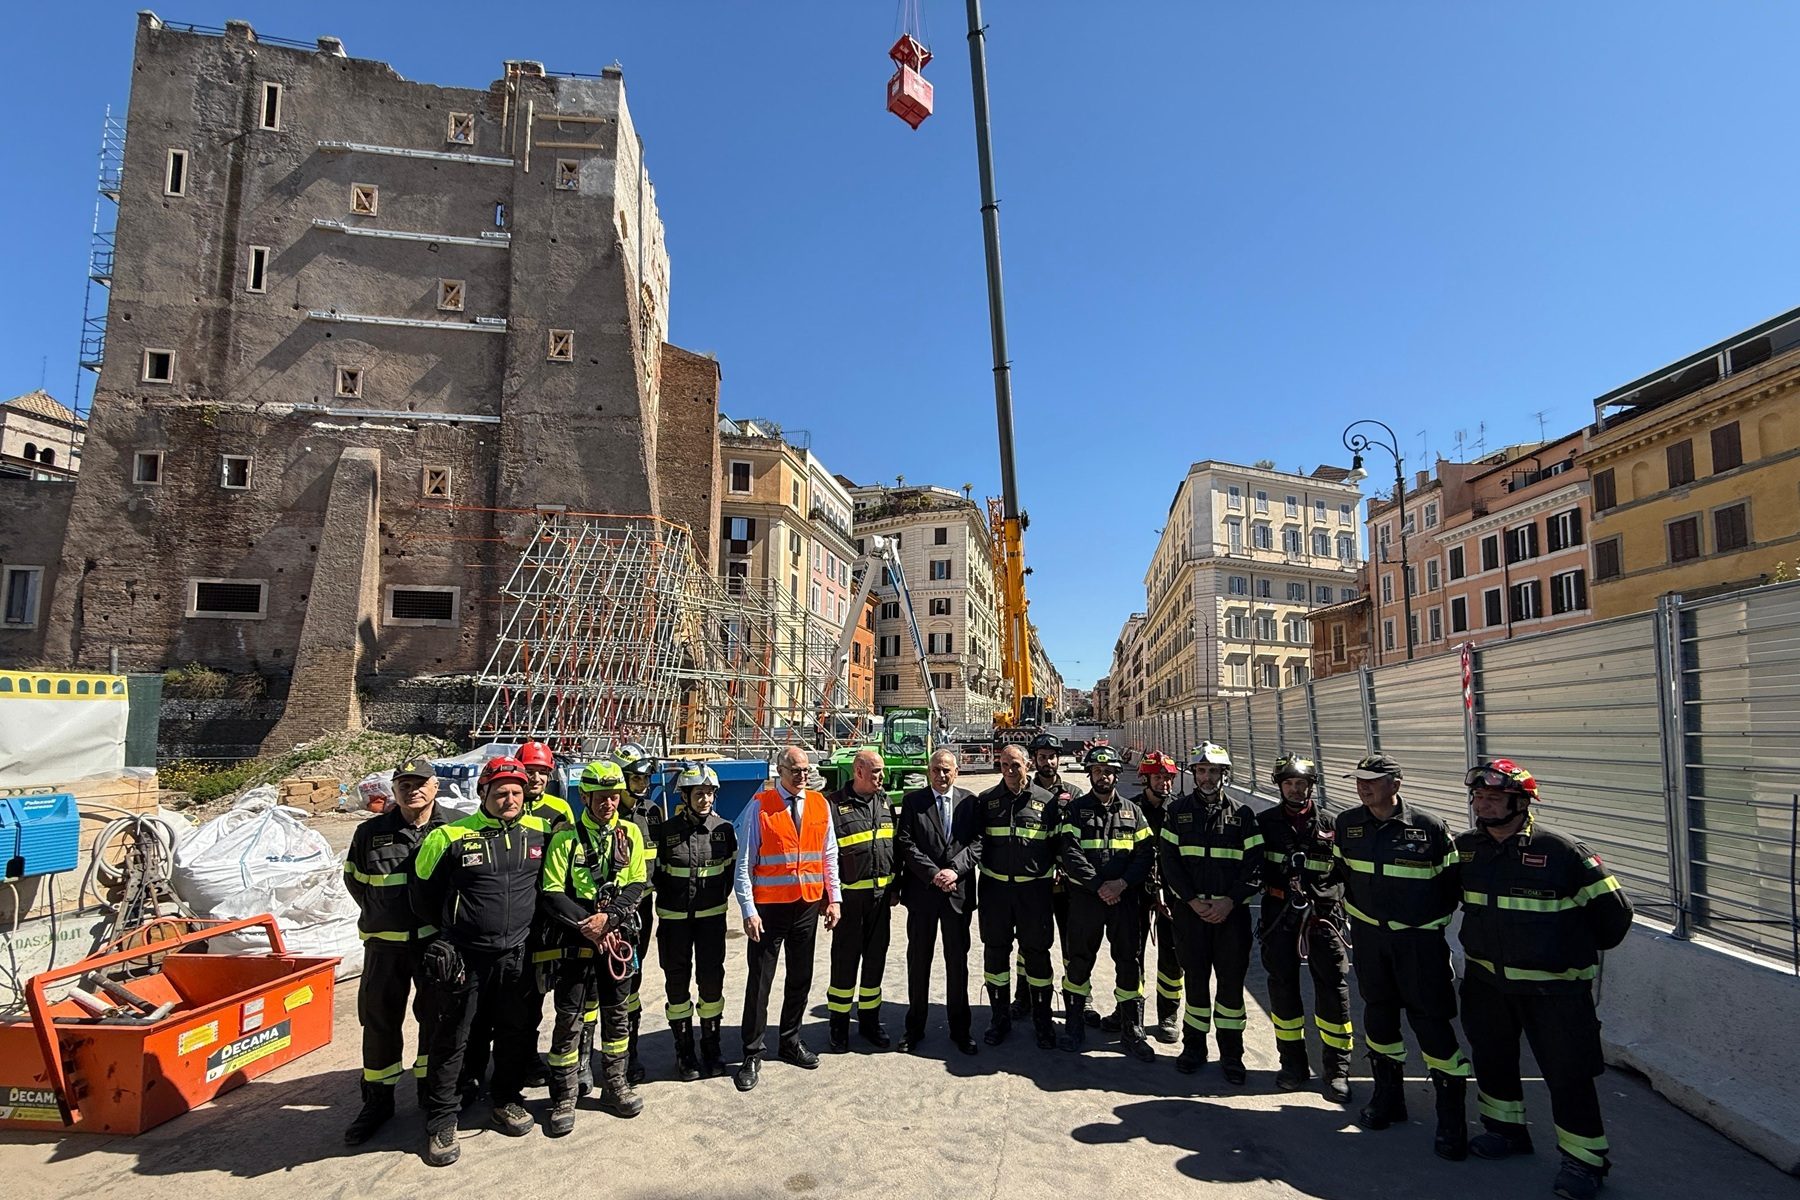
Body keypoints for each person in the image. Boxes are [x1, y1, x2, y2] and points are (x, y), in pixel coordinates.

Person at [1456, 759, 1632, 1200]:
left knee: (1567, 1074)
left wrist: (1562, 951)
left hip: (1554, 990)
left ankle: (1584, 1161)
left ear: (1521, 802)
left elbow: (1615, 917)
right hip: (1487, 984)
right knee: (1492, 1061)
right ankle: (1505, 1130)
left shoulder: (1563, 853)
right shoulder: (1468, 850)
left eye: (1495, 797)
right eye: (1479, 796)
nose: (1485, 804)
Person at [410, 756, 554, 1168]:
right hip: (465, 956)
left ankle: (505, 1099)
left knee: (514, 1032)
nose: (510, 799)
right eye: (501, 793)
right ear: (483, 795)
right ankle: (441, 1119)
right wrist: (449, 937)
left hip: (517, 955)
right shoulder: (450, 837)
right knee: (453, 1036)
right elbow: (422, 898)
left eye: (516, 792)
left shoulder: (541, 831)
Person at [1333, 752, 1470, 1160]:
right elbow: (1341, 875)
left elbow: (1451, 886)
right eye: (1359, 780)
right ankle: (1388, 1098)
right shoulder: (1348, 824)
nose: (1363, 787)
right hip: (1371, 941)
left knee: (1432, 1025)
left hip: (1419, 944)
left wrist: (1424, 925)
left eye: (1372, 781)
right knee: (1378, 1015)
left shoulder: (1427, 828)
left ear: (1396, 784)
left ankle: (1451, 1121)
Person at [538, 760, 649, 1136]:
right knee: (569, 1018)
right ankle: (564, 1095)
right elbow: (552, 891)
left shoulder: (630, 833)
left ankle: (615, 1084)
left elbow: (637, 882)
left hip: (615, 934)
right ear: (585, 796)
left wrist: (611, 920)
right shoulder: (565, 839)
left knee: (617, 1015)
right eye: (601, 797)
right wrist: (588, 925)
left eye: (614, 796)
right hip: (577, 937)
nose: (609, 804)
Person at [342, 757, 448, 1146]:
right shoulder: (370, 832)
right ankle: (377, 1102)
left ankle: (429, 1093)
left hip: (433, 943)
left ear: (435, 787)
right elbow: (355, 881)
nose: (412, 789)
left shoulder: (451, 828)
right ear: (394, 789)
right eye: (404, 783)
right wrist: (380, 915)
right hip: (384, 946)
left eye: (420, 783)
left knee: (435, 1019)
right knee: (380, 1022)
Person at [731, 744, 842, 1091]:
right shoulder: (761, 806)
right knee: (760, 981)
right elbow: (744, 865)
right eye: (795, 770)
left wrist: (833, 899)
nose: (802, 776)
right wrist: (748, 910)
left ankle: (791, 1039)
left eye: (806, 770)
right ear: (780, 770)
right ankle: (752, 1051)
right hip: (769, 909)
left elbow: (829, 856)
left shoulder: (820, 805)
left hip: (807, 905)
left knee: (801, 976)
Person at [1157, 742, 1262, 1084]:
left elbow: (1255, 867)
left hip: (1231, 915)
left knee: (1231, 989)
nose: (1206, 777)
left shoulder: (1243, 815)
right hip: (1191, 914)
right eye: (1201, 770)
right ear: (1194, 774)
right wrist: (1190, 901)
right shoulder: (1177, 812)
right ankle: (1194, 1049)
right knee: (1197, 984)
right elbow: (1169, 862)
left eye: (1213, 771)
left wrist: (1230, 901)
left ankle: (1232, 1055)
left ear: (1223, 774)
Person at [1256, 754, 1354, 1103]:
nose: (1295, 790)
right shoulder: (1264, 823)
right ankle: (1293, 1065)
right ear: (1280, 786)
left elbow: (1347, 873)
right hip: (1279, 916)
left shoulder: (1332, 824)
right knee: (1283, 989)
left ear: (1311, 787)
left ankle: (1337, 1070)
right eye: (1289, 784)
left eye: (1301, 784)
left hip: (1324, 919)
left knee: (1333, 990)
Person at [1054, 745, 1156, 1061]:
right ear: (1091, 774)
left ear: (1116, 774)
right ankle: (1074, 1026)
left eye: (1109, 771)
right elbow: (1069, 852)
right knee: (1079, 959)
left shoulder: (1133, 811)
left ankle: (1131, 1030)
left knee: (1129, 960)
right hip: (1087, 899)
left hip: (1124, 899)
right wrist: (1099, 886)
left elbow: (1145, 854)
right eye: (1098, 771)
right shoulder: (1075, 810)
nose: (1104, 776)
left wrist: (1122, 884)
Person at [651, 763, 737, 1080]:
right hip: (674, 923)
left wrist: (713, 901)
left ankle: (711, 1049)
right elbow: (656, 875)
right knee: (676, 984)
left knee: (711, 984)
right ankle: (684, 1051)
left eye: (710, 793)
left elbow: (728, 873)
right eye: (699, 793)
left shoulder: (724, 830)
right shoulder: (667, 832)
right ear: (685, 796)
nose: (706, 799)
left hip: (712, 922)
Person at [895, 749, 981, 1055]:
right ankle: (913, 1028)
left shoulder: (971, 802)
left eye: (947, 770)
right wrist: (934, 873)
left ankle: (961, 1029)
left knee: (957, 963)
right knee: (919, 962)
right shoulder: (913, 802)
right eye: (936, 770)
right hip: (923, 895)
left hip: (957, 895)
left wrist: (954, 870)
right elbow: (905, 842)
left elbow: (978, 843)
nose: (941, 776)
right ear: (928, 771)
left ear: (956, 772)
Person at [975, 743, 1061, 1049]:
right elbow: (974, 844)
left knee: (1037, 956)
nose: (1011, 771)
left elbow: (1058, 847)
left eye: (1017, 765)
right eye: (1005, 765)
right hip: (995, 892)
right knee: (996, 954)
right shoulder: (986, 801)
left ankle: (1042, 1021)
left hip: (1033, 893)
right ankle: (999, 1019)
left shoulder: (1048, 802)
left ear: (1028, 765)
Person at [825, 748, 898, 1052]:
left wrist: (895, 887)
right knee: (845, 964)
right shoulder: (834, 805)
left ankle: (869, 1021)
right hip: (850, 901)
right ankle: (839, 1027)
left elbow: (894, 848)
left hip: (880, 901)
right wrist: (830, 898)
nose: (882, 777)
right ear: (858, 771)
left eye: (882, 771)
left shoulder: (885, 802)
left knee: (875, 964)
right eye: (876, 771)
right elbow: (826, 856)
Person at [1009, 731, 1076, 1018]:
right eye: (1042, 757)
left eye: (1052, 756)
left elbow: (1077, 841)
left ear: (1059, 759)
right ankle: (1023, 996)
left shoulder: (1074, 794)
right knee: (1028, 942)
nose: (1048, 761)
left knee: (1072, 943)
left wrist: (1066, 868)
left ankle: (1077, 998)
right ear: (1034, 760)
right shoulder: (1023, 793)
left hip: (1067, 884)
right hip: (1035, 883)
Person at [615, 744, 660, 1085]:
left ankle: (628, 1051)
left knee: (633, 977)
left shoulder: (651, 812)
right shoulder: (608, 813)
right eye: (636, 777)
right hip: (610, 911)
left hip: (642, 908)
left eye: (645, 777)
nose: (642, 783)